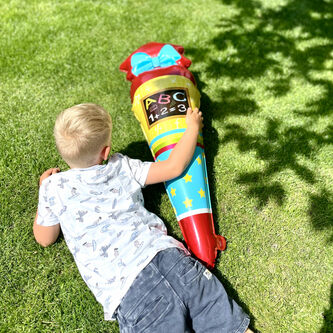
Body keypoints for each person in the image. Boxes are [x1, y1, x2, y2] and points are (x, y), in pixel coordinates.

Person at [33, 103, 252, 333]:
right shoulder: (121, 167)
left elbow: (45, 237)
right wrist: (192, 127)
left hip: (131, 295)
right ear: (106, 152)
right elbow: (174, 166)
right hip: (171, 261)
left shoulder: (52, 188)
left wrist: (43, 189)